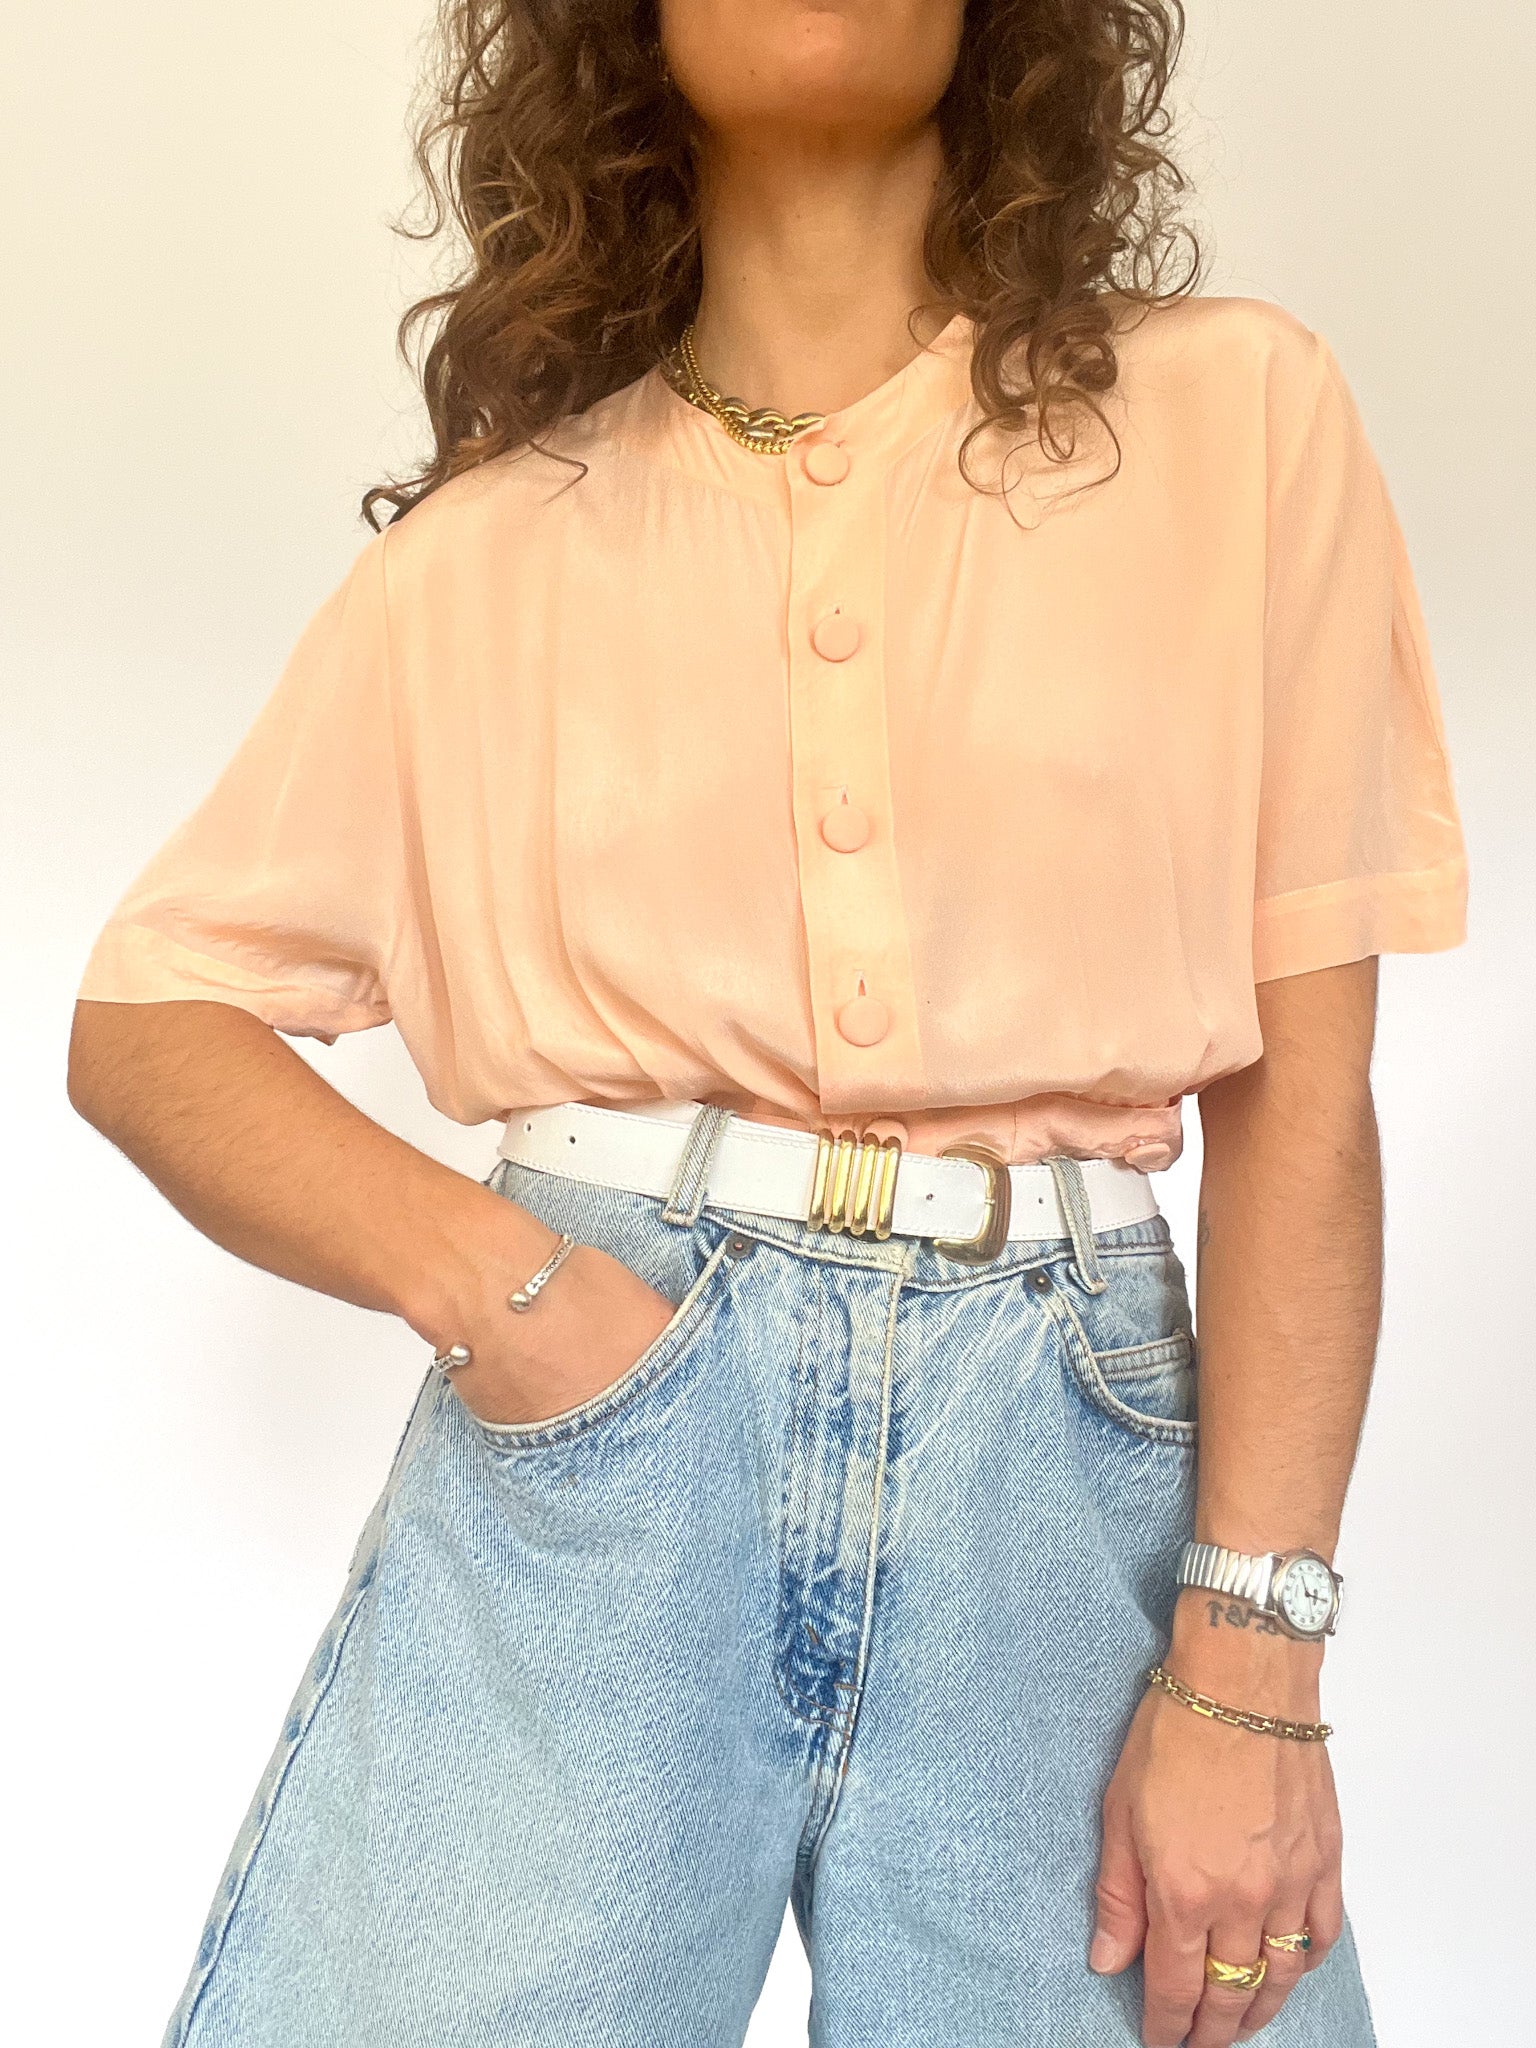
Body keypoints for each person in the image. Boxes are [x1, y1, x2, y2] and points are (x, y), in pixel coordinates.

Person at [66, 4, 1467, 2045]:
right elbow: (149, 1013)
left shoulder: (1236, 422)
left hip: (1065, 1470)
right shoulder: (486, 555)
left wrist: (1258, 1656)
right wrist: (513, 1290)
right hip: (604, 1443)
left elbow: (1307, 1099)